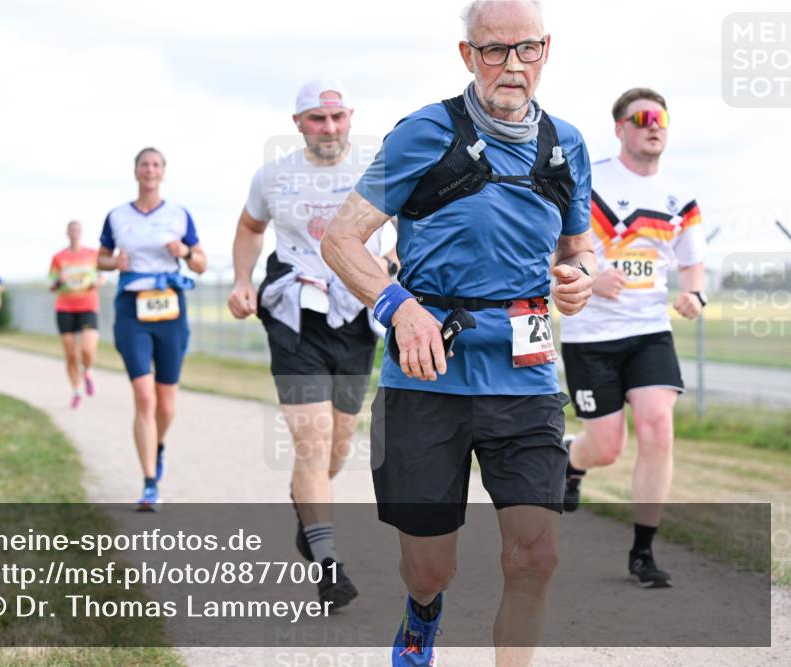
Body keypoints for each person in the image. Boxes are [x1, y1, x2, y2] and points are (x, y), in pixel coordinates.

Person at [321, 2, 595, 663]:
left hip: (526, 376)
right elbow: (340, 238)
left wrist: (581, 275)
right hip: (427, 377)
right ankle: (422, 614)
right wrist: (399, 306)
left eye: (526, 49)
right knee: (429, 570)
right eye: (494, 50)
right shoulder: (424, 132)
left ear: (546, 50)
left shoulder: (567, 144)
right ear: (468, 55)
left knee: (535, 555)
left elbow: (579, 247)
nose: (511, 65)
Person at [227, 79, 396, 610]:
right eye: (318, 119)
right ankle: (327, 564)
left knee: (339, 444)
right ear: (297, 123)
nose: (329, 128)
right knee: (313, 440)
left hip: (355, 312)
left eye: (337, 117)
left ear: (351, 118)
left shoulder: (375, 172)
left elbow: (405, 231)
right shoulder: (273, 175)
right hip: (294, 313)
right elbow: (250, 227)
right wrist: (242, 280)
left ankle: (307, 505)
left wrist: (393, 263)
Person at [559, 88, 707, 589]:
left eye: (660, 118)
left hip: (649, 332)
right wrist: (589, 277)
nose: (653, 125)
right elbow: (554, 246)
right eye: (642, 118)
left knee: (658, 427)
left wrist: (694, 295)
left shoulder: (680, 197)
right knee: (606, 448)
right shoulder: (588, 181)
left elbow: (692, 265)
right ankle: (571, 460)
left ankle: (643, 552)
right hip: (590, 334)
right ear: (620, 128)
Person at [98, 147, 207, 510]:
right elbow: (100, 259)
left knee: (166, 403)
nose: (150, 170)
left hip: (170, 308)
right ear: (136, 171)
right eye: (144, 165)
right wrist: (114, 262)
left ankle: (156, 445)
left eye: (156, 165)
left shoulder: (179, 215)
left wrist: (184, 252)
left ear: (163, 172)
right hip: (132, 308)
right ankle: (149, 483)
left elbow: (202, 263)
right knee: (144, 397)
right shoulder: (117, 216)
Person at [50, 220, 102, 409]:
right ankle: (76, 391)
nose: (74, 232)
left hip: (87, 306)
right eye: (71, 229)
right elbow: (52, 286)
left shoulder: (92, 254)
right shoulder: (58, 257)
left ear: (81, 232)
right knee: (71, 354)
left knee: (87, 349)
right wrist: (59, 280)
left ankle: (88, 371)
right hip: (65, 308)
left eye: (77, 229)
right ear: (67, 232)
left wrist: (97, 283)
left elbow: (102, 276)